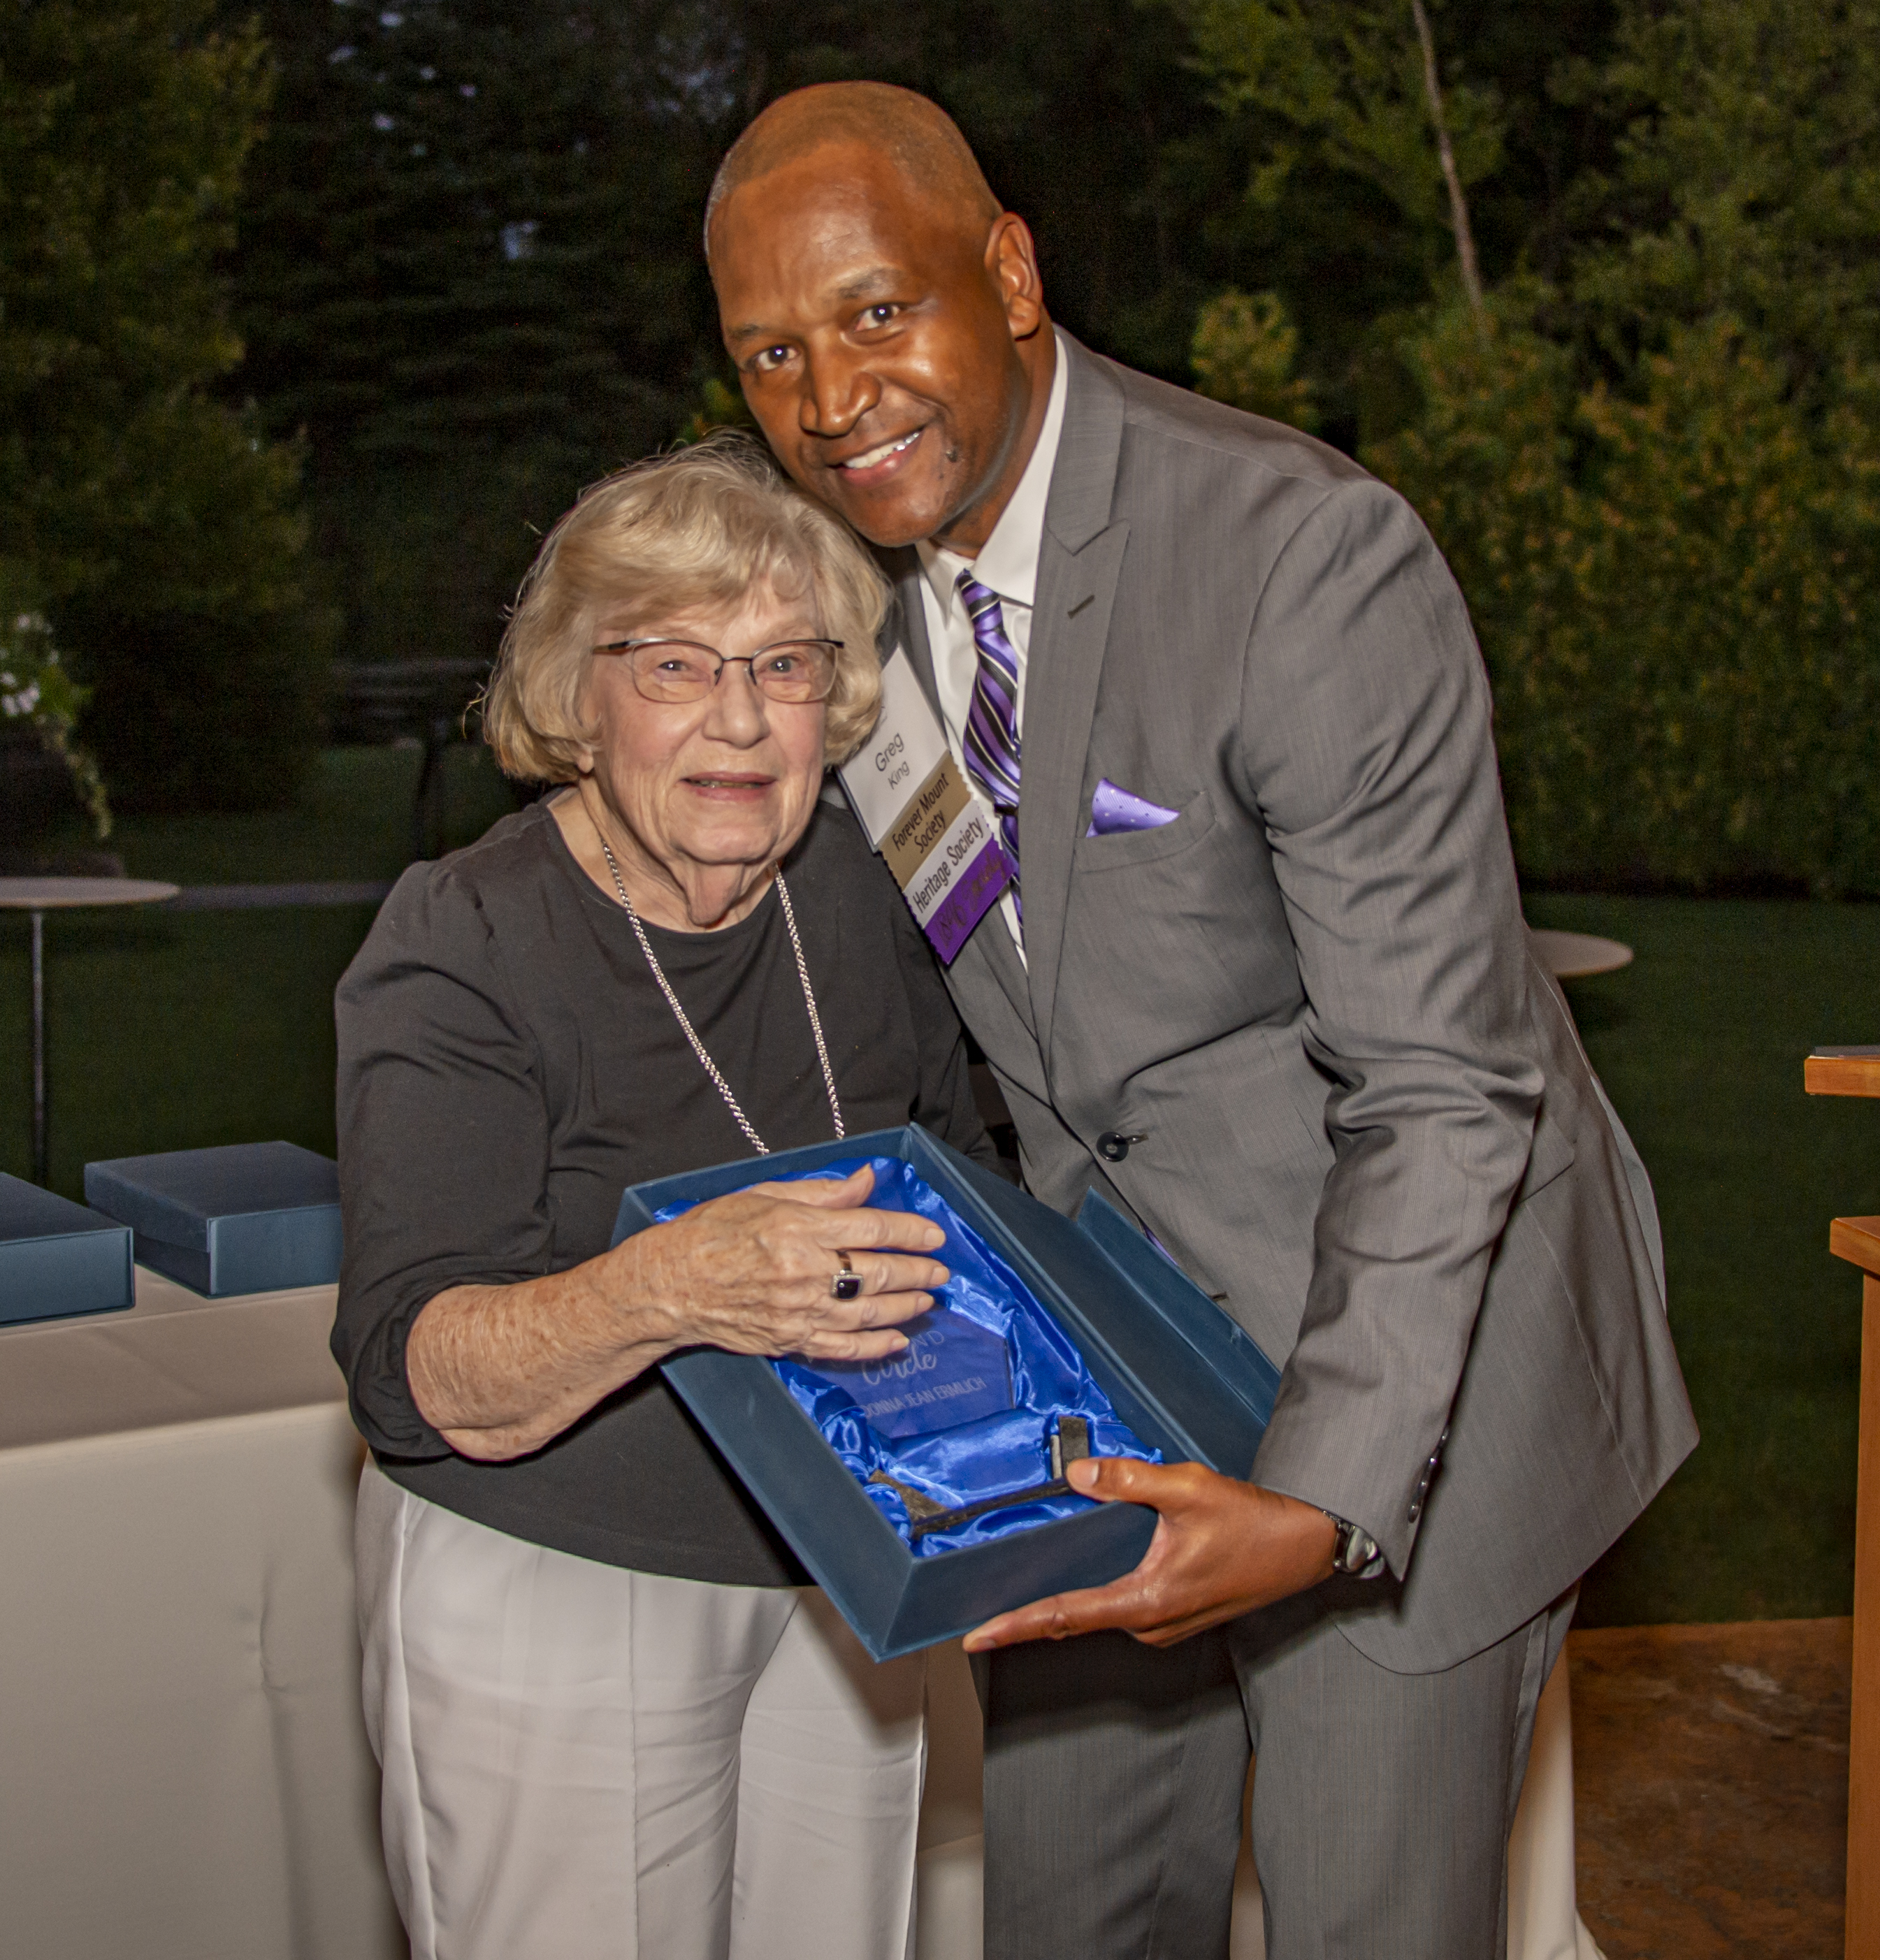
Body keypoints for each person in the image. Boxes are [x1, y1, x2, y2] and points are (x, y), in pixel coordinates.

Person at [704, 82, 1698, 1960]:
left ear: (1003, 270)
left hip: (1413, 1361)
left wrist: (1319, 1500)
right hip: (1111, 1377)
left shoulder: (1297, 554)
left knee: (1364, 1919)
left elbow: (1445, 1079)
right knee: (1068, 1913)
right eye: (770, 351)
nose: (829, 398)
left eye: (870, 312)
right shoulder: (845, 598)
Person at [330, 435, 997, 1960]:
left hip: (849, 1563)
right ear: (578, 694)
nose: (745, 717)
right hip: (564, 1577)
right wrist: (674, 1283)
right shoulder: (467, 938)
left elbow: (962, 1169)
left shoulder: (854, 883)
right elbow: (418, 1370)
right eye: (678, 664)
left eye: (786, 662)